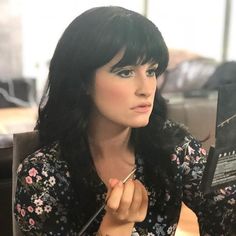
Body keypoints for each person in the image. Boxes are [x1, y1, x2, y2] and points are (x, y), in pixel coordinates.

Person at [14, 6, 235, 236]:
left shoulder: (173, 144)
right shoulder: (41, 175)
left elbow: (221, 211)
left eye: (151, 71)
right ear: (82, 81)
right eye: (125, 72)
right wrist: (115, 227)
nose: (146, 88)